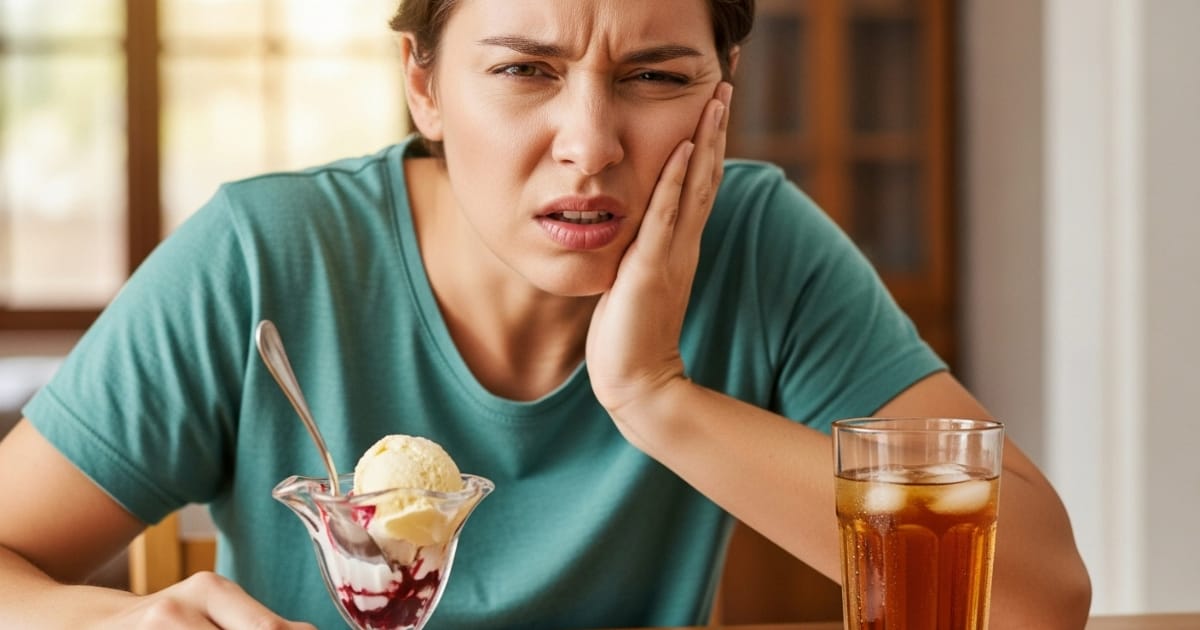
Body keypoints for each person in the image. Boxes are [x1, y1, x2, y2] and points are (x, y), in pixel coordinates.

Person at [0, 0, 1091, 628]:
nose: (591, 145)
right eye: (526, 69)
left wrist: (654, 396)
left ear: (723, 92)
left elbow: (1036, 598)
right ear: (424, 84)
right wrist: (122, 619)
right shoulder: (264, 254)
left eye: (655, 78)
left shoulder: (758, 245)